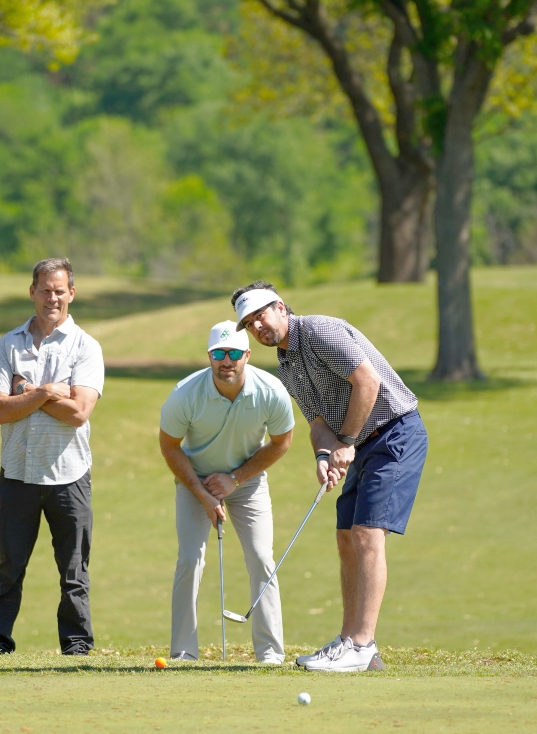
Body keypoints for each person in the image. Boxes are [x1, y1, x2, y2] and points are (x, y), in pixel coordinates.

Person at [232, 281, 427, 672]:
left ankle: (363, 643)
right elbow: (318, 422)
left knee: (367, 534)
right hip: (361, 445)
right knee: (345, 538)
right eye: (250, 323)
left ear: (281, 307)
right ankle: (348, 642)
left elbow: (367, 382)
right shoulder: (287, 366)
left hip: (395, 432)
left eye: (262, 315)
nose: (258, 326)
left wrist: (348, 442)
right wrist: (325, 454)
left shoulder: (320, 332)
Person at [0, 257, 104, 655]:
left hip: (69, 476)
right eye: (44, 289)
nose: (52, 297)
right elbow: (1, 411)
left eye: (59, 290)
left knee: (73, 572)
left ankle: (77, 646)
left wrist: (28, 392)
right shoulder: (8, 344)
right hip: (16, 475)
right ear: (31, 292)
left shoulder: (86, 346)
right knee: (9, 568)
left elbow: (79, 413)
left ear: (72, 293)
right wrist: (50, 391)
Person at [159, 321, 294, 662]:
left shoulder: (271, 391)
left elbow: (282, 443)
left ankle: (270, 653)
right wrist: (203, 493)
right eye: (219, 353)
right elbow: (170, 446)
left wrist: (235, 478)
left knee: (262, 557)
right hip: (195, 483)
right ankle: (184, 652)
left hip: (247, 483)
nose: (226, 361)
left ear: (247, 355)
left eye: (234, 353)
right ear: (209, 356)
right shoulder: (185, 394)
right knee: (190, 559)